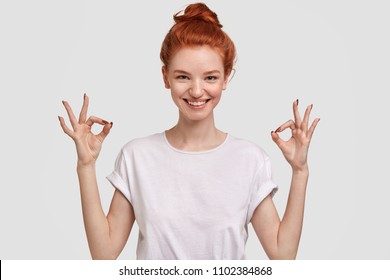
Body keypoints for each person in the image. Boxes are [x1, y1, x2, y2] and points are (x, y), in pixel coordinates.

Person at [58, 2, 319, 260]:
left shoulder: (250, 160)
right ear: (165, 77)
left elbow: (283, 255)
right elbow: (104, 254)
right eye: (183, 76)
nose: (196, 91)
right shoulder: (137, 157)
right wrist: (85, 166)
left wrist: (300, 171)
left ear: (226, 78)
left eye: (210, 77)